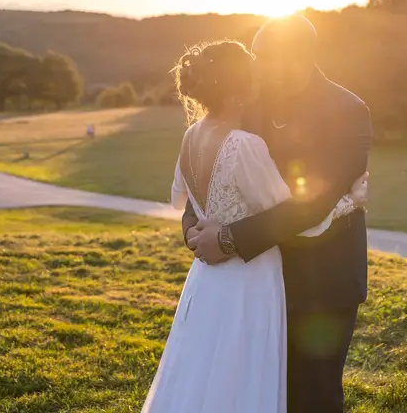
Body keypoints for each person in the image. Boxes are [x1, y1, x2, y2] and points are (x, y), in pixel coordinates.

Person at [141, 33, 369, 413]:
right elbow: (207, 194)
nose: (259, 68)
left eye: (265, 57)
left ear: (300, 55)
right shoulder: (247, 108)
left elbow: (311, 206)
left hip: (319, 281)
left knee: (310, 395)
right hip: (250, 282)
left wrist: (222, 238)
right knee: (239, 384)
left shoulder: (346, 109)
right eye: (255, 59)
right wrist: (195, 234)